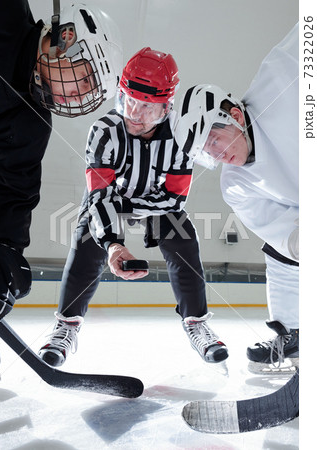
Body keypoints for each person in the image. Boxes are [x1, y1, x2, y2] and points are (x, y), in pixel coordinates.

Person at [38, 47, 228, 367]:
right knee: (87, 236)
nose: (134, 114)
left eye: (147, 108)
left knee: (183, 237)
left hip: (158, 202)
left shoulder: (181, 138)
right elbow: (99, 195)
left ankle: (196, 321)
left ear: (166, 108)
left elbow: (176, 197)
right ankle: (66, 326)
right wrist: (114, 243)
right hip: (112, 198)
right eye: (129, 100)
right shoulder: (103, 131)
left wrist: (138, 210)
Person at [0, 1, 123, 372]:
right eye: (85, 79)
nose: (80, 96)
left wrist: (5, 252)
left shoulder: (33, 118)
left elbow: (13, 191)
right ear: (65, 40)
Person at [174, 23, 299, 373]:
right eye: (205, 153)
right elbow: (282, 233)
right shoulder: (236, 186)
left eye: (215, 140)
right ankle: (293, 333)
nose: (217, 155)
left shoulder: (282, 76)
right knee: (281, 250)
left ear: (235, 115)